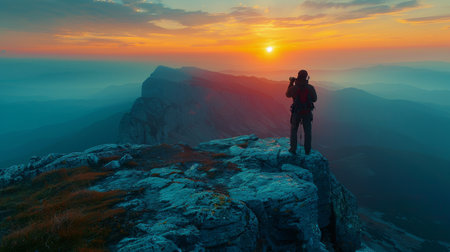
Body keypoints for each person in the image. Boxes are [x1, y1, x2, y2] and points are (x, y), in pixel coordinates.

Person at [285, 69, 317, 155]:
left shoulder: (294, 88)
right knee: (308, 132)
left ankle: (293, 149)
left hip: (296, 112)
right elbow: (315, 99)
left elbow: (287, 94)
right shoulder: (310, 88)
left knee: (294, 130)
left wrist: (291, 83)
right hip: (307, 112)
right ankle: (307, 150)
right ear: (306, 77)